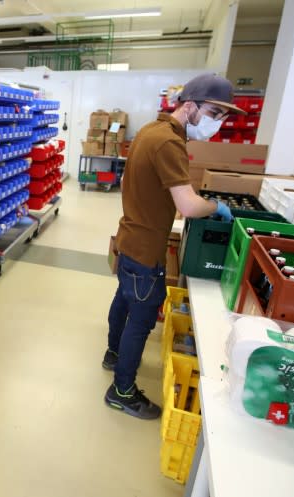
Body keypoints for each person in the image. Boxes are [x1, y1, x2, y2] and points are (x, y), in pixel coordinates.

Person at [103, 73, 245, 419]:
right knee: (141, 319)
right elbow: (189, 206)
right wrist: (217, 207)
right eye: (214, 112)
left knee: (124, 300)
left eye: (223, 116)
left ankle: (112, 354)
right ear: (190, 105)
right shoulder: (168, 142)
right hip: (147, 248)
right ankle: (122, 391)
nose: (217, 122)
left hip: (129, 237)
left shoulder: (152, 131)